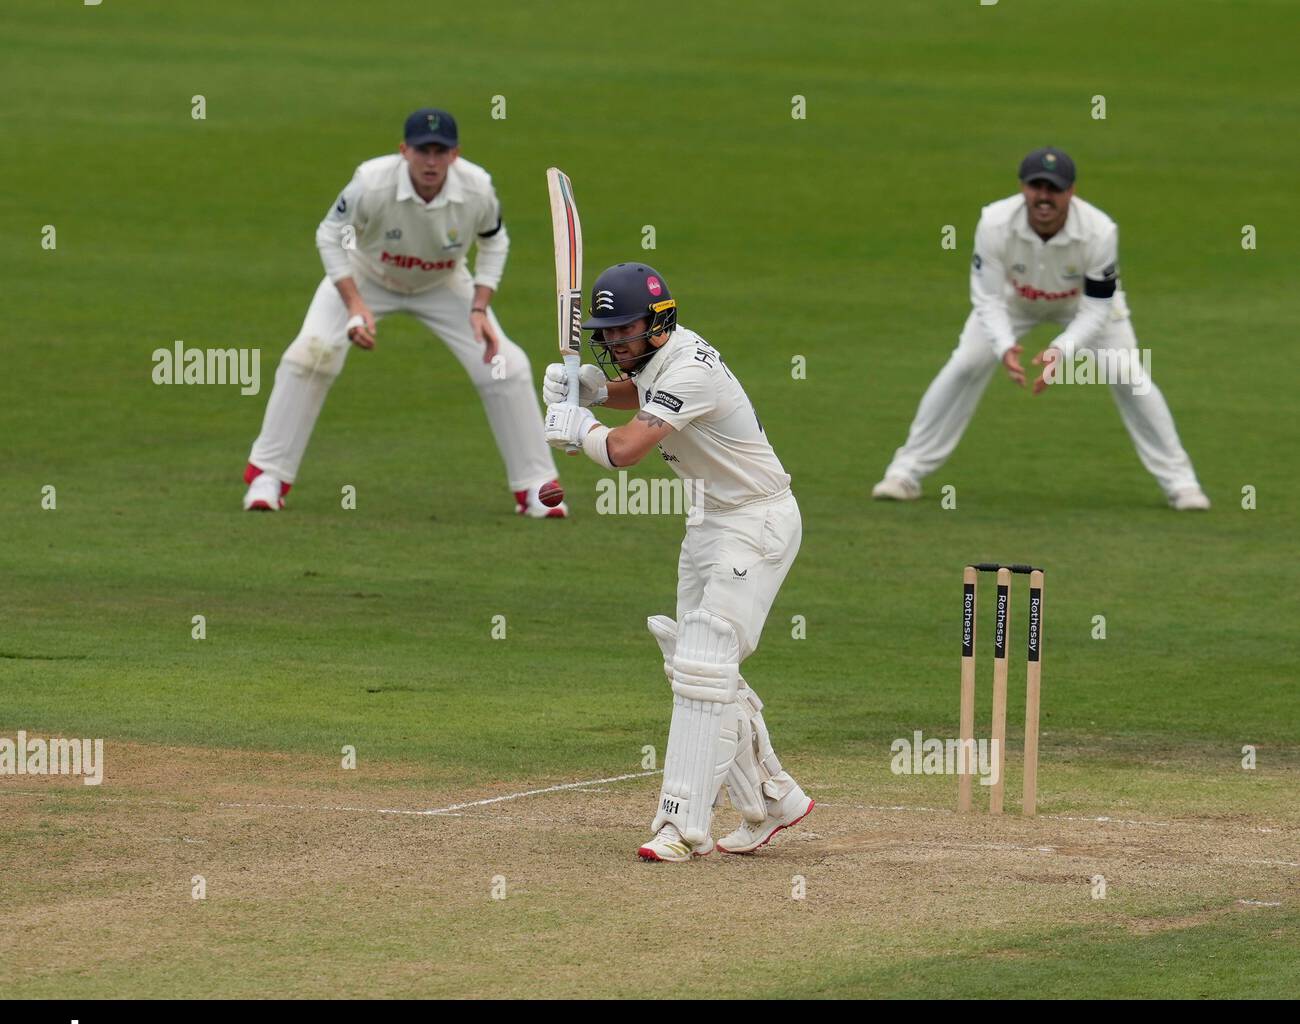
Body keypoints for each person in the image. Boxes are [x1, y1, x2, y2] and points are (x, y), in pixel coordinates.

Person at [542, 263, 813, 861]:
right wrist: (588, 391)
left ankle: (680, 827)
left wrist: (578, 424)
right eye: (607, 334)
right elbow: (640, 397)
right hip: (711, 518)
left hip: (757, 521)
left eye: (625, 331)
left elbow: (624, 449)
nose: (615, 344)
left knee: (705, 664)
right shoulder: (659, 364)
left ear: (659, 324)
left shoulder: (689, 368)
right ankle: (771, 798)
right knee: (694, 667)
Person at [241, 108, 565, 517]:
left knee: (505, 365)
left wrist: (480, 306)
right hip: (366, 274)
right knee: (312, 354)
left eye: (441, 151)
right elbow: (328, 234)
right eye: (422, 150)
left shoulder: (478, 188)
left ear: (455, 154)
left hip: (443, 282)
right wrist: (355, 304)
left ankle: (537, 486)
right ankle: (268, 476)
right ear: (403, 151)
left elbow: (494, 242)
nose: (431, 161)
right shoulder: (370, 183)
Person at [872, 147, 1210, 510]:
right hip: (1013, 302)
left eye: (1054, 188)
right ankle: (904, 474)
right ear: (1023, 188)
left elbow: (1098, 307)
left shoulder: (1100, 231)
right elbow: (986, 299)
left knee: (1129, 374)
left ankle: (1182, 484)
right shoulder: (994, 222)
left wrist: (1061, 350)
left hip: (1081, 306)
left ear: (1071, 192)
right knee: (965, 364)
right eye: (1037, 187)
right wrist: (1004, 346)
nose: (1044, 197)